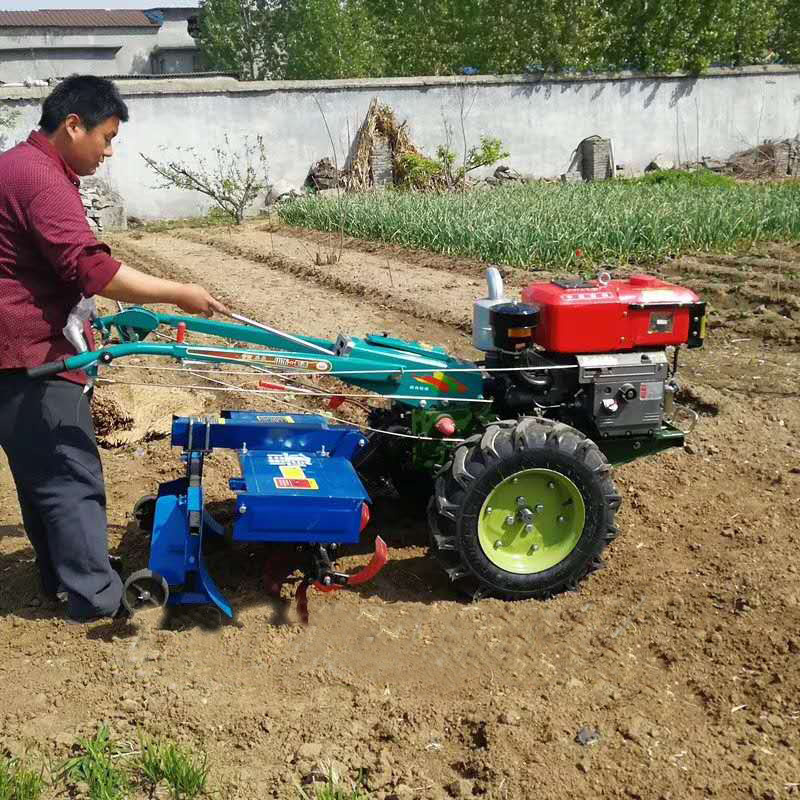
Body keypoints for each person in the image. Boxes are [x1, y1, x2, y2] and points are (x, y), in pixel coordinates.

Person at [0, 75, 227, 623]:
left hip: (16, 355)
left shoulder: (21, 165)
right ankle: (98, 599)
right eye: (106, 137)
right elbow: (91, 268)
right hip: (32, 357)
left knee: (42, 476)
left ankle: (60, 577)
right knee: (72, 475)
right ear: (72, 125)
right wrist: (181, 293)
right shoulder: (39, 178)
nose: (109, 150)